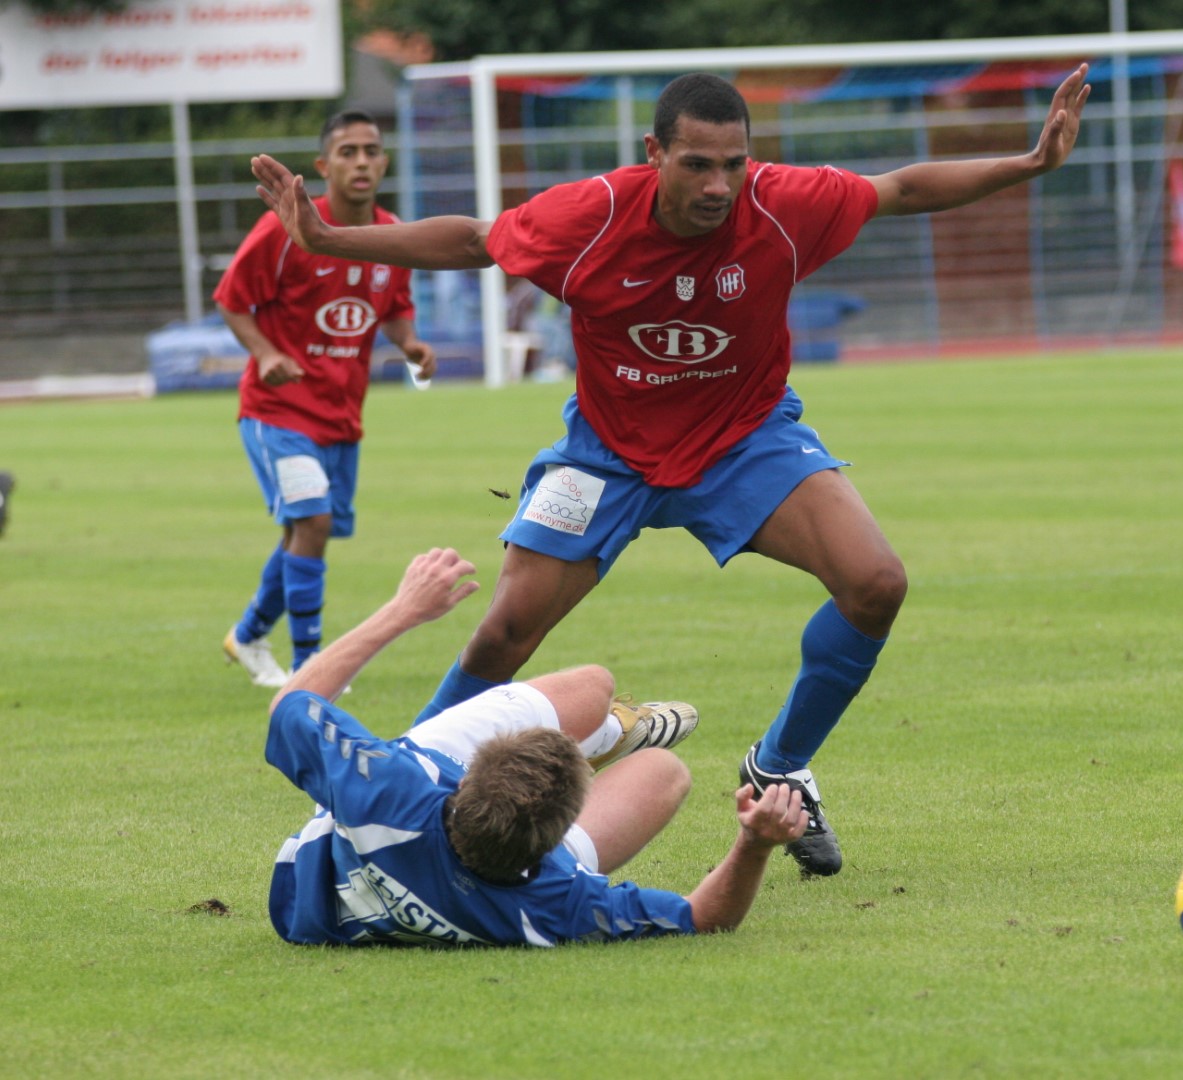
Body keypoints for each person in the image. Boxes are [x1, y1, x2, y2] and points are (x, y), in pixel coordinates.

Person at [247, 67, 1092, 876]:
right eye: (697, 164)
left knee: (876, 583)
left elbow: (900, 188)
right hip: (607, 456)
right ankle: (398, 795)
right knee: (505, 632)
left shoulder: (783, 205)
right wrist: (326, 236)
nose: (719, 185)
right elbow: (474, 240)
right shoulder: (589, 217)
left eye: (733, 163)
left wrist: (1028, 163)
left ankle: (779, 766)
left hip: (742, 440)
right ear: (654, 154)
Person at [266, 546, 808, 946]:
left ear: (465, 779)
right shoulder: (555, 901)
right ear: (555, 841)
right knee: (654, 759)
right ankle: (604, 735)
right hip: (461, 865)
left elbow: (289, 705)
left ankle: (597, 737)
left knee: (595, 697)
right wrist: (755, 845)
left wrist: (404, 609)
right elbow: (704, 918)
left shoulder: (389, 787)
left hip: (301, 896)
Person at [216, 110, 438, 688]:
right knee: (312, 519)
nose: (361, 161)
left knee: (305, 532)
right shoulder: (284, 229)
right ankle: (312, 666)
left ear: (384, 162)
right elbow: (232, 300)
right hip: (277, 411)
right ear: (323, 166)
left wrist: (410, 344)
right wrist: (266, 353)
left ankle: (247, 635)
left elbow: (395, 307)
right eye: (348, 151)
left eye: (371, 150)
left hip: (341, 417)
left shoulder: (391, 234)